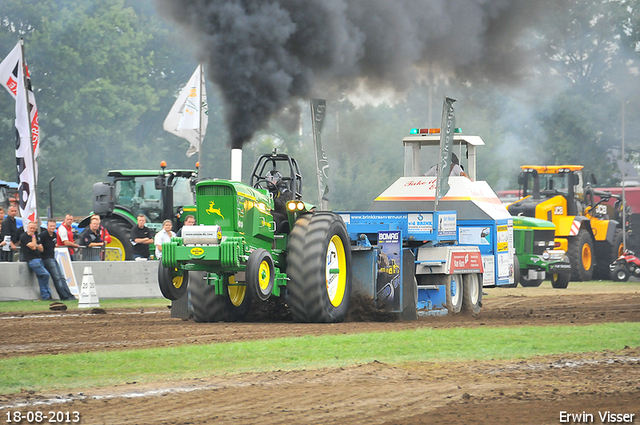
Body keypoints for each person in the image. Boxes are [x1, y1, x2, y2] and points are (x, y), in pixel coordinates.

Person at [40, 219, 75, 300]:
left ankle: (69, 294)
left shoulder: (55, 235)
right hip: (46, 258)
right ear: (47, 226)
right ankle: (64, 296)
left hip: (52, 257)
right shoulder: (43, 236)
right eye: (50, 226)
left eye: (53, 226)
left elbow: (55, 244)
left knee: (61, 277)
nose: (52, 227)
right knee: (57, 278)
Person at [20, 221, 52, 301]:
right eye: (31, 228)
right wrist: (33, 238)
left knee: (42, 277)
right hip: (32, 260)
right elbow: (33, 247)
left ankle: (46, 296)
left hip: (39, 258)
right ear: (27, 227)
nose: (32, 230)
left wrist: (35, 243)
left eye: (34, 228)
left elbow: (41, 249)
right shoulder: (24, 236)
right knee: (45, 275)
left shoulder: (37, 236)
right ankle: (46, 294)